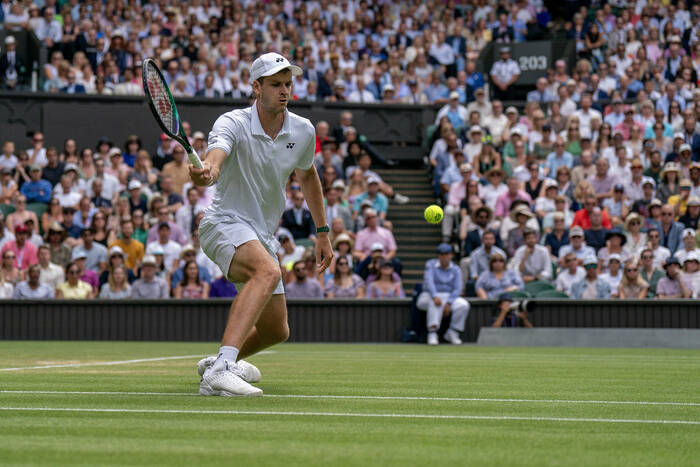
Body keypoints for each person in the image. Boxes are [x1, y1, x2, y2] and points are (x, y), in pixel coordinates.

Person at [191, 53, 332, 397]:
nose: (284, 91)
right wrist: (206, 171)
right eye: (275, 84)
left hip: (261, 234)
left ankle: (220, 361)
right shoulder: (232, 122)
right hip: (224, 223)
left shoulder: (302, 130)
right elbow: (215, 158)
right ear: (256, 87)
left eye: (288, 84)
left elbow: (309, 175)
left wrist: (322, 232)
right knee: (268, 272)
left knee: (276, 330)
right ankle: (221, 371)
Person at [417, 244, 470, 345]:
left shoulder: (456, 269)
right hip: (429, 295)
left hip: (449, 296)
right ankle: (432, 332)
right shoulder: (430, 265)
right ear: (438, 256)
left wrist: (449, 302)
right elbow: (429, 282)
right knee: (435, 302)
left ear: (451, 255)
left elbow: (458, 288)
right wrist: (435, 296)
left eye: (446, 254)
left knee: (463, 305)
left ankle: (453, 332)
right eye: (441, 254)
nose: (444, 257)